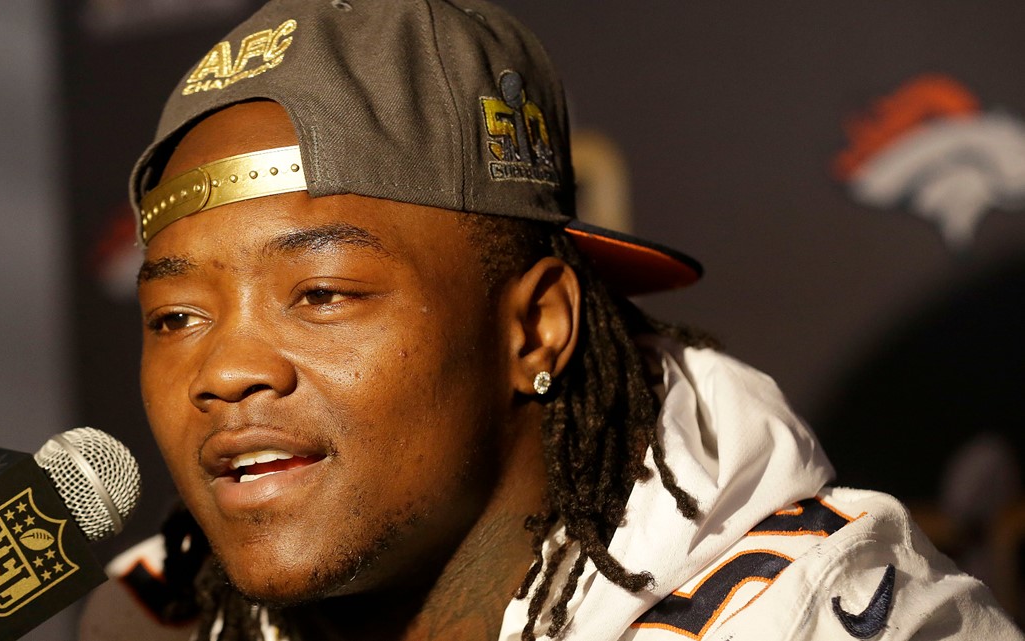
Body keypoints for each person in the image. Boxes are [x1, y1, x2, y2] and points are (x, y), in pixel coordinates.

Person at [79, 1, 1024, 639]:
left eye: (321, 293)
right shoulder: (153, 616)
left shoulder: (819, 623)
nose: (225, 368)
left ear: (534, 329)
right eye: (174, 315)